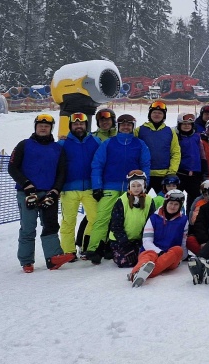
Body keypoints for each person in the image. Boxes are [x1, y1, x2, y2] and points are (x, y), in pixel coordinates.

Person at [8, 112, 72, 272]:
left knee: (50, 225)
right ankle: (26, 261)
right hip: (28, 193)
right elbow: (12, 167)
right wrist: (26, 184)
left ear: (51, 129)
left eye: (46, 126)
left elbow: (62, 172)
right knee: (28, 227)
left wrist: (55, 191)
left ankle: (53, 258)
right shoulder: (24, 145)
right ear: (36, 127)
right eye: (40, 126)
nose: (43, 128)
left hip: (48, 194)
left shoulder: (57, 149)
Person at [87, 113, 152, 263]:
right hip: (110, 186)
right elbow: (97, 164)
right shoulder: (109, 143)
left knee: (129, 220)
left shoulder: (139, 144)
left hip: (132, 188)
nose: (125, 127)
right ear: (118, 126)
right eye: (122, 124)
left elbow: (145, 165)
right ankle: (94, 248)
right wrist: (97, 186)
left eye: (129, 125)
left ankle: (117, 246)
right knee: (102, 217)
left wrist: (144, 184)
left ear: (132, 127)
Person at [58, 112, 101, 257]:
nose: (78, 126)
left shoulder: (95, 141)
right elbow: (54, 165)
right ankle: (68, 251)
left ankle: (86, 246)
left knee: (95, 219)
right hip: (69, 189)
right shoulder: (62, 143)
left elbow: (102, 162)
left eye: (81, 124)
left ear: (86, 125)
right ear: (71, 125)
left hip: (90, 188)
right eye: (75, 124)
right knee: (68, 221)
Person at [129, 189, 188, 287]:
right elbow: (147, 241)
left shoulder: (184, 220)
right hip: (152, 252)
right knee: (149, 255)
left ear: (180, 206)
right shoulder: (153, 218)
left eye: (176, 204)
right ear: (165, 203)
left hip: (169, 257)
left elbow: (183, 241)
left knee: (178, 250)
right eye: (171, 203)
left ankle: (142, 273)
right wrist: (159, 252)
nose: (173, 207)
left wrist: (184, 256)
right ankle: (136, 273)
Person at [106, 170, 155, 268]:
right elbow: (116, 226)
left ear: (144, 186)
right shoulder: (121, 201)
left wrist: (145, 241)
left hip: (138, 240)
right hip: (120, 241)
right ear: (129, 187)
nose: (136, 189)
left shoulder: (149, 201)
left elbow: (150, 223)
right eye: (133, 186)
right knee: (126, 262)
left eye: (139, 185)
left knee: (147, 257)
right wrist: (125, 244)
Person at [136, 100, 180, 194]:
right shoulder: (139, 130)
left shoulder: (170, 132)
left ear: (164, 116)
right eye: (154, 112)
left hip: (164, 175)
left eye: (160, 113)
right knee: (140, 203)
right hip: (144, 174)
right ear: (150, 114)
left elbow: (175, 152)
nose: (157, 115)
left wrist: (172, 172)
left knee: (165, 203)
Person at [175, 113, 205, 197]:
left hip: (195, 174)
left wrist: (203, 171)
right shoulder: (176, 137)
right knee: (176, 197)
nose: (186, 126)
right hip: (180, 173)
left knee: (195, 198)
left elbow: (202, 155)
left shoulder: (196, 137)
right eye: (184, 124)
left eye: (189, 124)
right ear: (179, 125)